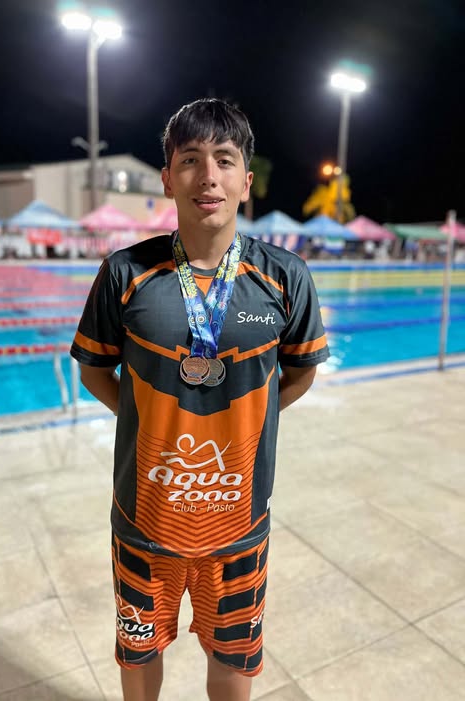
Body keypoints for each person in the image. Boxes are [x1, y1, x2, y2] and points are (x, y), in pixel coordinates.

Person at [70, 98, 330, 701]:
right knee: (138, 654)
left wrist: (246, 421)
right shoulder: (124, 273)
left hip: (239, 525)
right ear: (167, 178)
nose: (207, 176)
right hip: (145, 522)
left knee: (233, 661)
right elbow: (93, 372)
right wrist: (148, 420)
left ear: (245, 180)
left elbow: (300, 374)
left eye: (224, 160)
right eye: (189, 160)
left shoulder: (285, 276)